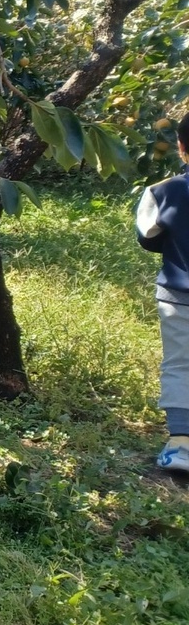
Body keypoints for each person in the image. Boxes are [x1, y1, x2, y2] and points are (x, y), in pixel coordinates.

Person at [136, 115, 189, 474]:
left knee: (180, 365)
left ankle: (181, 446)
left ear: (182, 148)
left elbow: (148, 236)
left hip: (178, 295)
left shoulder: (162, 190)